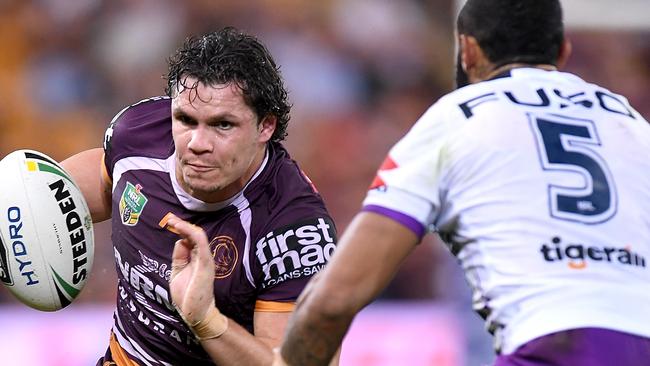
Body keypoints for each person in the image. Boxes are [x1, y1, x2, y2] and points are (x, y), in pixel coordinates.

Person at [273, 1, 650, 365]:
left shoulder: (459, 117)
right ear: (562, 52)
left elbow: (332, 302)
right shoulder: (633, 125)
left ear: (467, 50)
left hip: (551, 344)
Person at [61, 27, 337, 365]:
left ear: (265, 126)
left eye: (222, 125)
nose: (197, 143)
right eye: (185, 120)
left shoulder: (294, 231)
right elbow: (57, 198)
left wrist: (206, 320)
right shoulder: (137, 137)